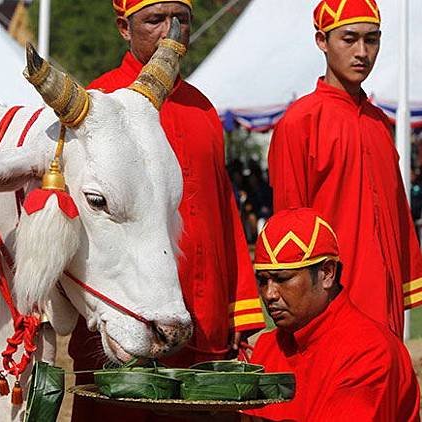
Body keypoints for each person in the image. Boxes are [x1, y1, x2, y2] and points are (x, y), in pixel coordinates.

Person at [69, 1, 265, 420]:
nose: (170, 31)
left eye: (182, 19)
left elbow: (223, 210)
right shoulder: (95, 105)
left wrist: (242, 311)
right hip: (125, 314)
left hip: (203, 312)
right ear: (124, 27)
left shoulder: (203, 110)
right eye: (154, 20)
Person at [267, 0, 422, 337]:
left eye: (372, 40)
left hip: (386, 299)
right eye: (349, 39)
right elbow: (289, 225)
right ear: (322, 41)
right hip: (333, 306)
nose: (362, 52)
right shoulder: (299, 123)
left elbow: (399, 214)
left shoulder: (380, 123)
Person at [244, 208, 420, 421]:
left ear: (327, 273)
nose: (269, 294)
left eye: (282, 279)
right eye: (263, 281)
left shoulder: (370, 352)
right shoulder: (267, 347)